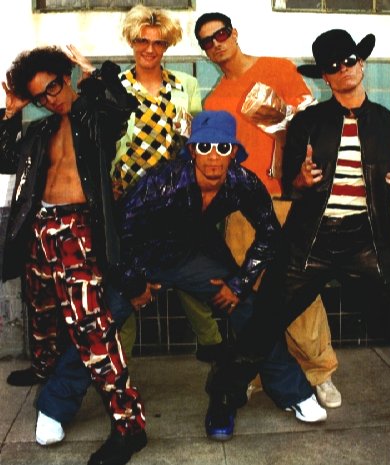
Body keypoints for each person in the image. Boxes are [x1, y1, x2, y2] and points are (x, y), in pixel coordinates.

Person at [119, 110, 327, 441]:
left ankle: (294, 392)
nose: (213, 156)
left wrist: (239, 283)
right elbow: (122, 230)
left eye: (222, 147)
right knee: (99, 318)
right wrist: (133, 283)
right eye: (205, 147)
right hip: (144, 260)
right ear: (191, 150)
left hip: (193, 258)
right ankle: (56, 406)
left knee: (250, 311)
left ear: (234, 152)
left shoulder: (242, 182)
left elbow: (270, 233)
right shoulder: (162, 181)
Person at [0, 45, 147, 465]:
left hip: (76, 231)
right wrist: (11, 112)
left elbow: (123, 109)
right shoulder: (41, 130)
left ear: (66, 78)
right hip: (40, 228)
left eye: (53, 87)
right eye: (39, 96)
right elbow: (4, 159)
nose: (50, 99)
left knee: (91, 329)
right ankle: (45, 368)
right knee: (41, 307)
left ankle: (130, 425)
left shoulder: (93, 118)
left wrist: (95, 75)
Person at [194, 11, 341, 408]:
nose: (216, 43)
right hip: (241, 210)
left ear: (234, 33)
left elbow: (316, 124)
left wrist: (284, 119)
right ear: (204, 51)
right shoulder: (215, 100)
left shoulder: (277, 68)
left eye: (221, 34)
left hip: (285, 200)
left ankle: (320, 371)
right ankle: (254, 370)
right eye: (207, 41)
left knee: (300, 291)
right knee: (249, 296)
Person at [238, 29, 390, 373]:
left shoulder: (388, 125)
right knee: (264, 322)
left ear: (361, 64)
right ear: (325, 78)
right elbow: (290, 186)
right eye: (333, 66)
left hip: (368, 242)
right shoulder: (307, 123)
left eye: (349, 61)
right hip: (309, 242)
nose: (343, 69)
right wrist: (300, 181)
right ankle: (227, 391)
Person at [114, 3, 226, 363]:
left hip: (176, 197)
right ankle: (119, 364)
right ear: (132, 42)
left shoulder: (185, 85)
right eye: (142, 41)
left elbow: (197, 141)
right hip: (128, 199)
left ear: (167, 46)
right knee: (126, 282)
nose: (150, 49)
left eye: (158, 43)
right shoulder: (117, 88)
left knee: (189, 274)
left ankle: (212, 347)